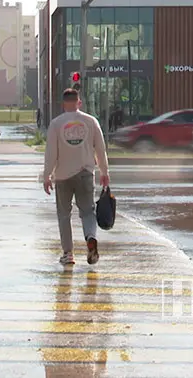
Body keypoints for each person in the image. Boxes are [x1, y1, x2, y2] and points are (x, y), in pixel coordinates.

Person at [43, 88, 110, 265]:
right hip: (86, 173)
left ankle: (68, 254)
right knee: (88, 212)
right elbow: (101, 149)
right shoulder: (91, 121)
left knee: (64, 214)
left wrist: (47, 175)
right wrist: (104, 172)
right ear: (79, 102)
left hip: (63, 175)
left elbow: (51, 153)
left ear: (63, 104)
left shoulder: (56, 124)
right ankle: (90, 238)